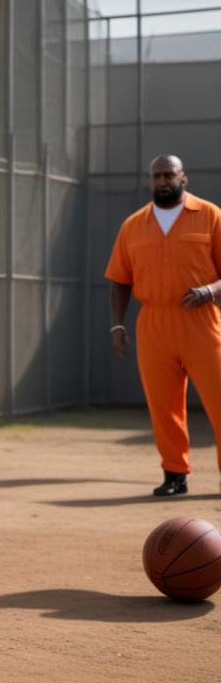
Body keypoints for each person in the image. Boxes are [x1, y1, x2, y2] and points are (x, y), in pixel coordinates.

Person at [106, 154, 221, 496]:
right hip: (153, 322)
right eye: (156, 176)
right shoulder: (133, 225)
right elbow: (119, 281)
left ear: (183, 177)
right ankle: (175, 474)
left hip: (202, 321)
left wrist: (210, 290)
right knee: (164, 405)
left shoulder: (210, 216)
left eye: (168, 174)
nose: (161, 181)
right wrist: (116, 326)